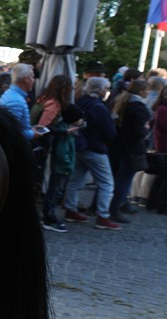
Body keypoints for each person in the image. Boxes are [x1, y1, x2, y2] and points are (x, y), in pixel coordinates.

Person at [62, 77, 120, 230]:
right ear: (99, 90)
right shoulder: (98, 107)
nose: (107, 91)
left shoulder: (81, 101)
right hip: (95, 148)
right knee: (107, 183)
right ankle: (103, 216)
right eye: (106, 88)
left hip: (80, 145)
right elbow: (109, 131)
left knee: (75, 179)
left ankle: (70, 209)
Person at [33, 74, 80, 232]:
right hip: (40, 146)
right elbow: (41, 127)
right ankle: (48, 217)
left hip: (38, 145)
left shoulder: (44, 98)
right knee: (53, 183)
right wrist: (64, 131)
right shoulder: (54, 104)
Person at [107, 78, 150, 223]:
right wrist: (145, 130)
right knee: (123, 180)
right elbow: (137, 131)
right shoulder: (138, 107)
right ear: (141, 91)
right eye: (146, 90)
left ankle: (106, 206)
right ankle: (114, 209)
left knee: (115, 178)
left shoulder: (122, 101)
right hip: (130, 148)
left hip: (117, 145)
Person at [0, 63, 46, 142]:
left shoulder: (11, 94)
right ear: (26, 79)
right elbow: (12, 133)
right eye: (33, 77)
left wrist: (30, 128)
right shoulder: (15, 100)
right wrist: (32, 133)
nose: (34, 80)